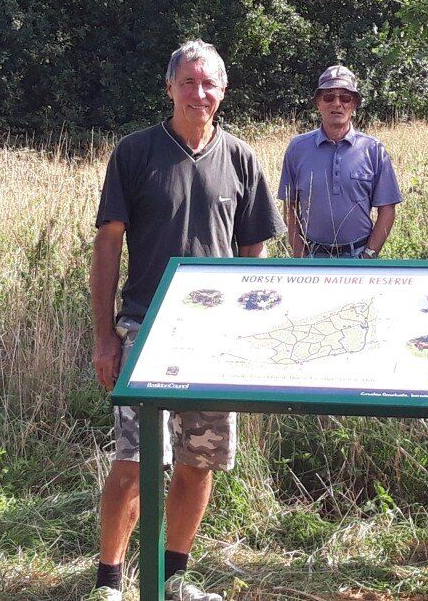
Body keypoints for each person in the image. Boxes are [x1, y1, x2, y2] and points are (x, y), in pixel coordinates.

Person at [87, 40, 283, 601]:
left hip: (216, 340)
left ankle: (173, 579)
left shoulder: (243, 158)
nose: (199, 93)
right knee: (135, 460)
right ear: (170, 87)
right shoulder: (135, 153)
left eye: (210, 84)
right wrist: (105, 337)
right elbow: (107, 248)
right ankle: (110, 583)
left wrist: (249, 335)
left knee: (199, 462)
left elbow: (255, 254)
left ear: (223, 92)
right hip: (144, 330)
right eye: (189, 82)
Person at [279, 64, 402, 258]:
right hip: (312, 255)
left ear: (353, 105)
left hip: (359, 255)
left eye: (345, 98)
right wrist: (299, 254)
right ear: (318, 103)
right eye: (329, 97)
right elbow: (290, 206)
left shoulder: (373, 149)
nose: (337, 104)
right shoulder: (297, 148)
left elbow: (387, 209)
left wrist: (369, 255)